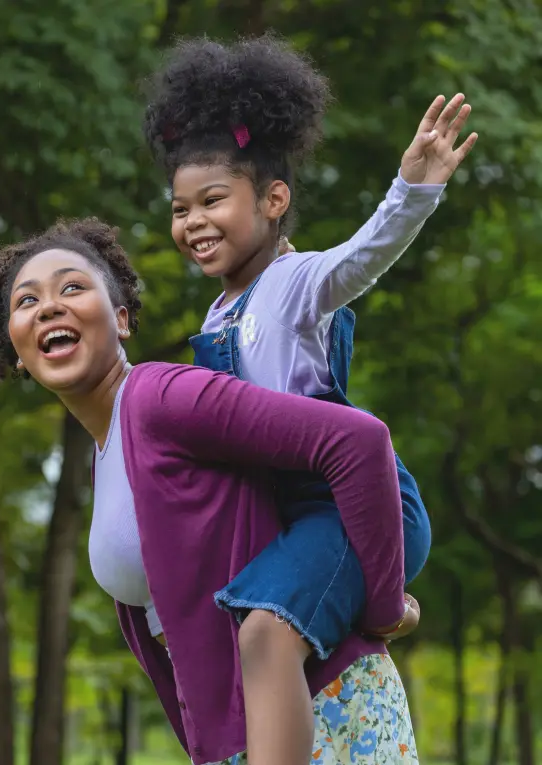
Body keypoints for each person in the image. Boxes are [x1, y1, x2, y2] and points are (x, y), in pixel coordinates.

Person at [142, 35, 477, 762]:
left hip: (354, 504)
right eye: (179, 209)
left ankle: (385, 604)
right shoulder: (214, 318)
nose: (192, 222)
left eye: (211, 202)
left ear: (273, 200)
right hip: (289, 513)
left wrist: (412, 189)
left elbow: (363, 256)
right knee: (240, 628)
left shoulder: (295, 283)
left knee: (264, 630)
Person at [0, 218, 421, 763]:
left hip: (327, 708)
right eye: (27, 301)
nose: (49, 306)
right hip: (244, 734)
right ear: (16, 351)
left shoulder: (162, 397)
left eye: (72, 287)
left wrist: (382, 605)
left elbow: (358, 441)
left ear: (121, 320)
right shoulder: (109, 450)